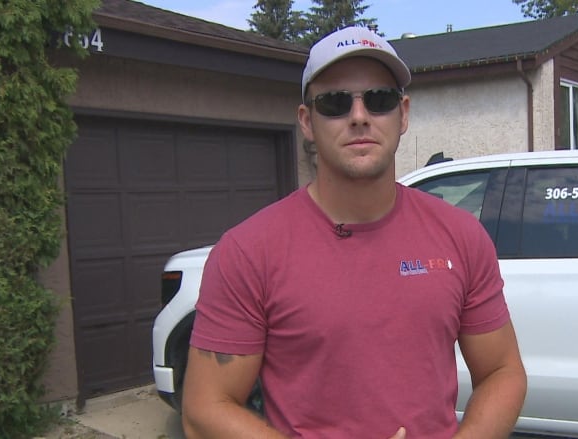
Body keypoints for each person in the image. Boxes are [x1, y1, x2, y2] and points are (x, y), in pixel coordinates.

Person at [181, 25, 527, 439]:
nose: (359, 116)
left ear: (404, 114)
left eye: (379, 100)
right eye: (335, 103)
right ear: (307, 122)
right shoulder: (249, 251)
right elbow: (205, 409)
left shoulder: (461, 236)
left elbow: (503, 372)